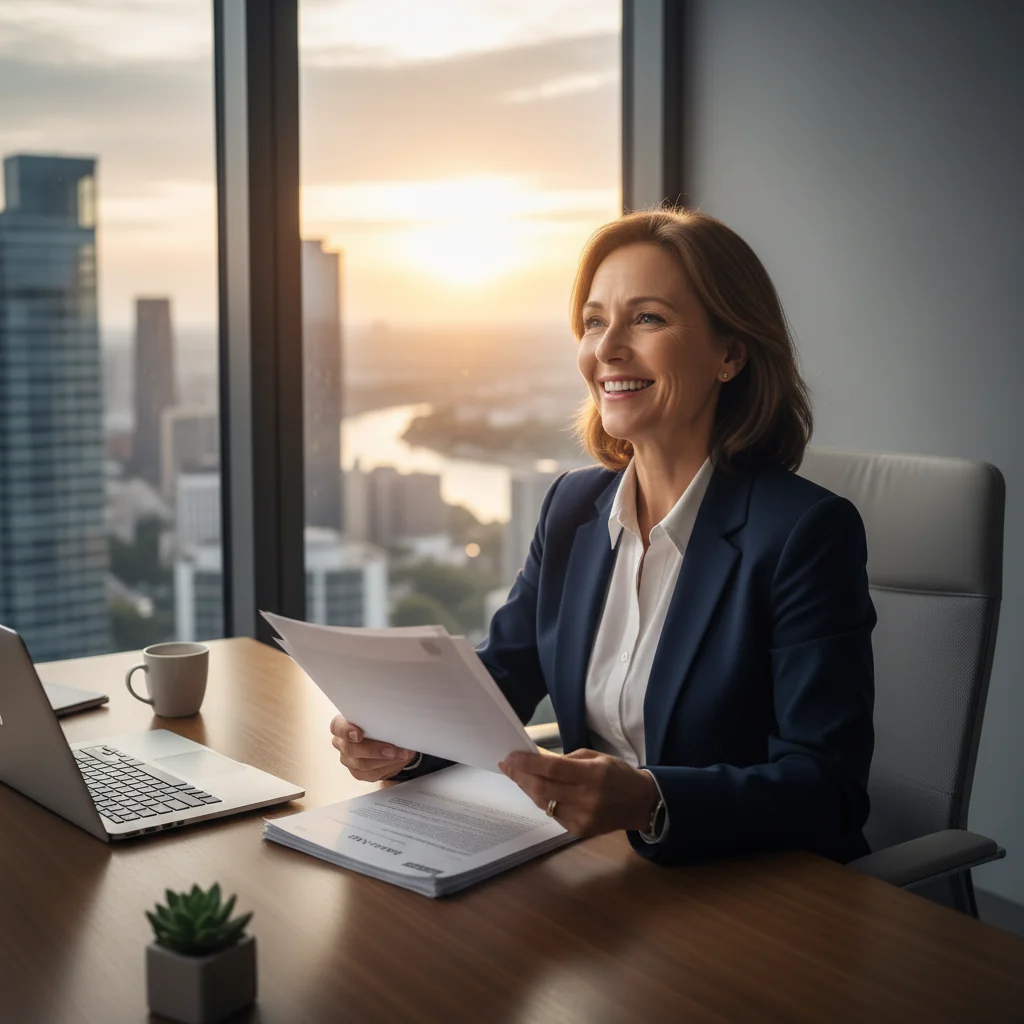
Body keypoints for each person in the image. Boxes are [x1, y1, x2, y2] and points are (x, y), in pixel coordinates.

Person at [330, 209, 876, 865]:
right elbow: (500, 675)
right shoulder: (571, 506)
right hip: (603, 873)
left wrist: (650, 801)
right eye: (594, 321)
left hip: (751, 888)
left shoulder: (804, 534)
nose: (607, 348)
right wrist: (405, 738)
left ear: (729, 353)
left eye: (647, 318)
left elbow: (829, 789)